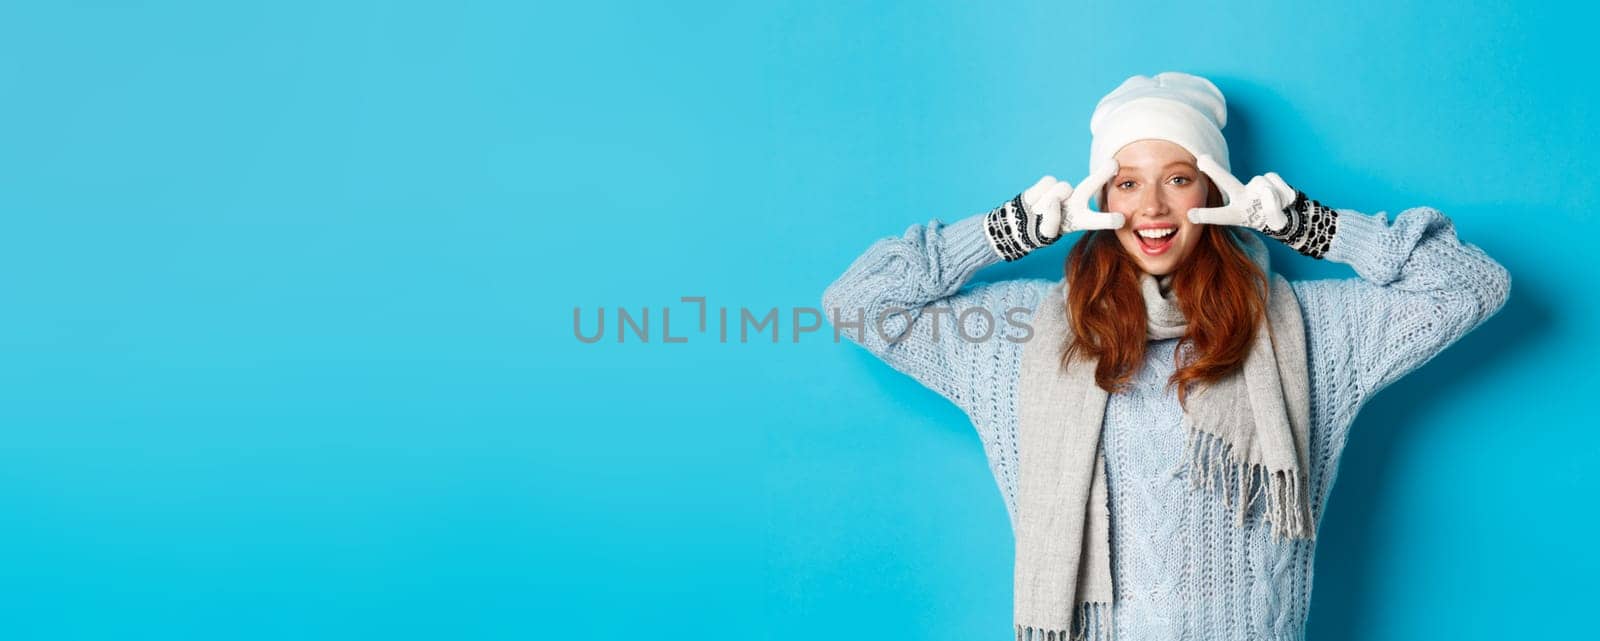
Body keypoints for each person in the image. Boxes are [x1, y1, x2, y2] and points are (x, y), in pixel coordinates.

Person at [820, 72, 1510, 641]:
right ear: (1101, 196)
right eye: (1125, 182)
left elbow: (1472, 285)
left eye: (1178, 178)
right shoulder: (1021, 335)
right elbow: (860, 301)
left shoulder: (1309, 332)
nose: (1151, 206)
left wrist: (1310, 223)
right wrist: (1002, 233)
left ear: (1213, 188)